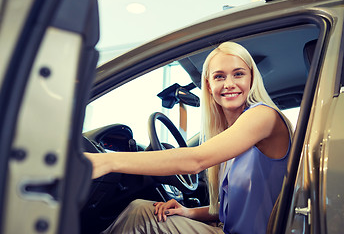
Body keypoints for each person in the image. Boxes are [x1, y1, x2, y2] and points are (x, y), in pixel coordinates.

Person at [85, 41, 293, 234]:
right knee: (139, 209)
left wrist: (108, 161)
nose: (229, 84)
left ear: (251, 79)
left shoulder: (263, 116)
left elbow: (195, 160)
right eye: (219, 76)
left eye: (238, 74)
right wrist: (188, 212)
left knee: (140, 218)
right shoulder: (233, 133)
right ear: (209, 86)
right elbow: (236, 207)